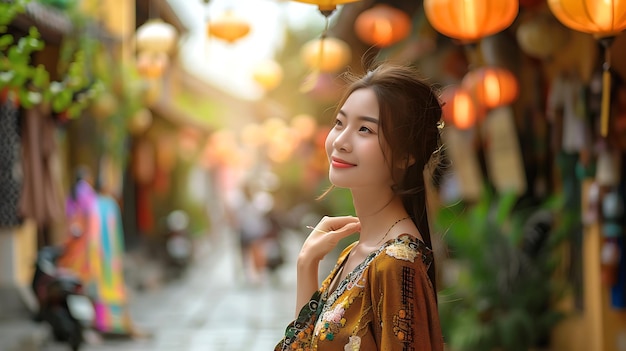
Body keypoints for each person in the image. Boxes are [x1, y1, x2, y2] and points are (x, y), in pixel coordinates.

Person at [275, 63, 445, 351]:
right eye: (339, 123)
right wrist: (307, 265)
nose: (340, 141)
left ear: (406, 155)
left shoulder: (396, 263)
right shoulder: (357, 252)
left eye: (365, 129)